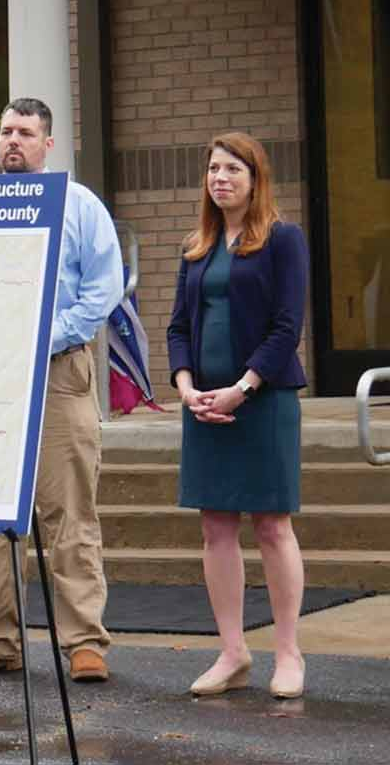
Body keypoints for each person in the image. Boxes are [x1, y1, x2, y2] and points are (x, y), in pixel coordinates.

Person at [0, 98, 123, 682]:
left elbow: (105, 289)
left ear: (49, 144)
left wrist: (44, 336)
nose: (11, 141)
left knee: (67, 511)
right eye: (4, 132)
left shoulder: (78, 206)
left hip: (58, 373)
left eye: (24, 132)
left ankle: (83, 644)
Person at [167, 133, 308, 699]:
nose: (220, 178)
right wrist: (185, 388)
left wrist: (242, 388)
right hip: (204, 407)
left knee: (272, 527)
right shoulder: (196, 246)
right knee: (215, 528)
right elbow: (178, 327)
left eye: (232, 169)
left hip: (262, 400)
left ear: (255, 178)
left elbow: (286, 327)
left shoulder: (282, 239)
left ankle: (288, 652)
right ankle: (232, 652)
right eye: (213, 169)